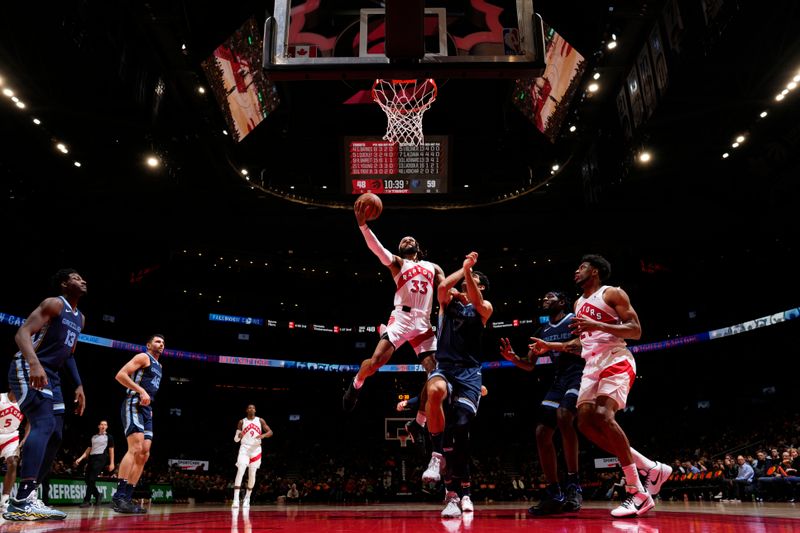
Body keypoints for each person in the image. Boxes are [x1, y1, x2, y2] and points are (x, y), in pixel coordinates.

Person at [529, 255, 671, 518]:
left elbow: (635, 330)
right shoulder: (578, 303)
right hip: (591, 365)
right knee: (584, 424)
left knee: (604, 416)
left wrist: (598, 324)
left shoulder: (612, 293)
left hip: (615, 357)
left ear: (594, 271)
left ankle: (637, 491)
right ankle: (650, 467)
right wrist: (551, 347)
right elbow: (583, 343)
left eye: (581, 267)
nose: (576, 270)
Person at [343, 203, 445, 412]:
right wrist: (363, 226)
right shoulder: (398, 263)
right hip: (401, 320)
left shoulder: (433, 267)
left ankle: (419, 421)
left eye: (411, 239)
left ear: (418, 248)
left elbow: (444, 291)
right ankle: (356, 384)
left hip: (424, 323)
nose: (407, 239)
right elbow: (378, 250)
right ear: (400, 249)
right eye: (403, 240)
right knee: (375, 363)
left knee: (436, 372)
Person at [4, 268, 87, 521]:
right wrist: (34, 363)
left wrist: (79, 385)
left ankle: (27, 497)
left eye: (82, 277)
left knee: (57, 433)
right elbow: (22, 334)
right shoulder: (54, 304)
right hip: (29, 366)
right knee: (43, 422)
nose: (82, 280)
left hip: (53, 374)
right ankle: (20, 501)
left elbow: (69, 354)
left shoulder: (80, 318)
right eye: (75, 277)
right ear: (64, 284)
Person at [499, 290, 585, 515]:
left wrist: (553, 347)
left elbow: (581, 346)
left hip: (580, 374)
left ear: (562, 302)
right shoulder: (542, 330)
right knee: (541, 432)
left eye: (550, 297)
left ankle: (574, 485)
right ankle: (554, 491)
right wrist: (513, 359)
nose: (544, 300)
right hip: (559, 381)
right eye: (543, 297)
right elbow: (529, 364)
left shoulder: (573, 320)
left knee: (564, 416)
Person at [422, 252, 493, 518]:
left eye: (473, 278)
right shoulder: (447, 302)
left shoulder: (484, 307)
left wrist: (468, 272)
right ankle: (439, 465)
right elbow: (441, 287)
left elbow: (476, 300)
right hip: (445, 368)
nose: (467, 279)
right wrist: (464, 269)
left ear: (481, 285)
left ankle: (465, 491)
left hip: (469, 375)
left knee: (461, 430)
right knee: (435, 391)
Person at [111, 334, 164, 514]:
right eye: (157, 341)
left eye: (163, 342)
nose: (161, 344)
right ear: (148, 345)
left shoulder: (160, 366)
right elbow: (120, 375)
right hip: (133, 403)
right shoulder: (143, 357)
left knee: (144, 453)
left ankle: (127, 497)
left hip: (147, 410)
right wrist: (140, 391)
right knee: (135, 448)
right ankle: (118, 497)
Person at [232, 404, 273, 508]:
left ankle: (247, 498)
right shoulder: (242, 421)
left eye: (253, 407)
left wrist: (263, 435)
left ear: (255, 410)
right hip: (244, 448)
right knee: (241, 469)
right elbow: (236, 440)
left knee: (252, 474)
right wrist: (238, 436)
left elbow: (270, 432)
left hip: (256, 449)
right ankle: (236, 499)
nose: (251, 409)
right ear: (246, 410)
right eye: (249, 407)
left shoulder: (260, 420)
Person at [74, 420, 115, 507]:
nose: (103, 426)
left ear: (107, 427)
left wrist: (112, 463)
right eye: (102, 424)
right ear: (99, 426)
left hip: (101, 458)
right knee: (87, 479)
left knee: (92, 479)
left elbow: (111, 450)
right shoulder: (94, 437)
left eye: (105, 425)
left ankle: (87, 501)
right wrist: (80, 458)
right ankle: (98, 495)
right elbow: (88, 449)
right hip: (92, 458)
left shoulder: (109, 437)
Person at [1, 390, 25, 512]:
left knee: (13, 462)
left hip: (11, 436)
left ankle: (4, 500)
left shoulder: (24, 403)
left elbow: (30, 423)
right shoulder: (1, 398)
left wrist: (24, 440)